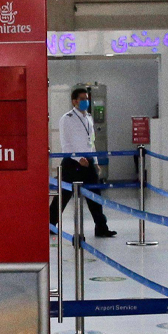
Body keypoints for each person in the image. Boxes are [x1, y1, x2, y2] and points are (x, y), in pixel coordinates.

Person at [50, 87, 116, 237]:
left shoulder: (89, 118)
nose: (86, 101)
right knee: (63, 195)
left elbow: (91, 142)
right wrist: (78, 158)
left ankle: (101, 227)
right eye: (82, 99)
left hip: (89, 161)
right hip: (72, 163)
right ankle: (50, 224)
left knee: (95, 196)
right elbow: (65, 144)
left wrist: (95, 160)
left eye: (87, 99)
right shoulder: (67, 119)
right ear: (74, 101)